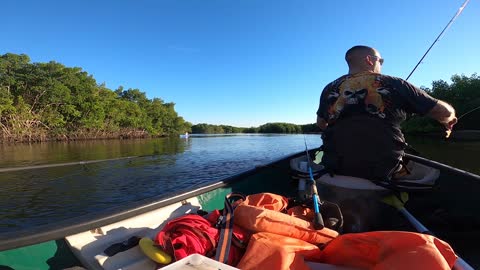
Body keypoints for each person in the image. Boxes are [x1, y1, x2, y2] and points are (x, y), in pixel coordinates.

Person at [316, 45, 457, 181]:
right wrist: (450, 118)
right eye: (381, 61)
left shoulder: (329, 89)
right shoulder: (395, 84)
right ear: (369, 60)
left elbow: (321, 123)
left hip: (335, 166)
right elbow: (443, 112)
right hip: (384, 169)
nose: (382, 64)